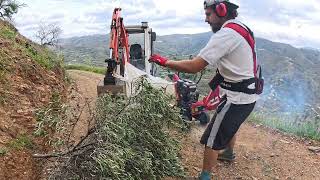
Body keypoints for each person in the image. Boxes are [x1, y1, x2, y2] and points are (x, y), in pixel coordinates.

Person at [149, 0, 261, 179]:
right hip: (247, 94)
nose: (206, 19)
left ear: (221, 10)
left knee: (213, 137)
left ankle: (205, 176)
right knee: (229, 124)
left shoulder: (226, 34)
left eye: (208, 14)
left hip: (237, 97)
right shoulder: (242, 27)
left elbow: (195, 66)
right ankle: (229, 153)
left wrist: (164, 62)